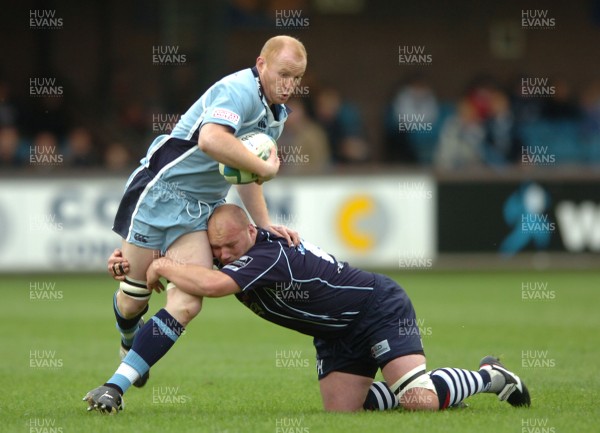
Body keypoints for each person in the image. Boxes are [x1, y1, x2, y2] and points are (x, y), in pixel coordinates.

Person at [94, 204, 531, 413]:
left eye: (230, 243)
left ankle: (489, 376)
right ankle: (429, 387)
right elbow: (192, 268)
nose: (223, 252)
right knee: (345, 414)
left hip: (376, 307)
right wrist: (132, 263)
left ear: (252, 228)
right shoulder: (231, 251)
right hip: (335, 333)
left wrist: (160, 265)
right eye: (217, 247)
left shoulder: (269, 253)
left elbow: (211, 283)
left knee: (418, 401)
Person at [83, 35, 307, 412]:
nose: (289, 85)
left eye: (297, 78)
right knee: (134, 296)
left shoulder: (276, 116)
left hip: (201, 209)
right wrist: (266, 165)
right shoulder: (237, 90)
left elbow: (243, 177)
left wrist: (265, 225)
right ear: (262, 64)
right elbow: (209, 140)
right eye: (283, 74)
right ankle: (129, 337)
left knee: (188, 301)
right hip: (158, 193)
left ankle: (114, 387)